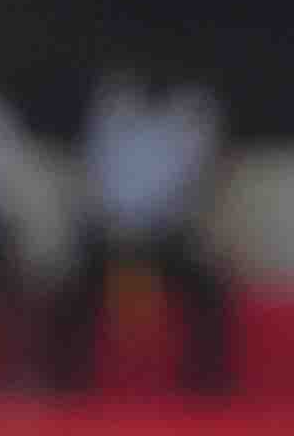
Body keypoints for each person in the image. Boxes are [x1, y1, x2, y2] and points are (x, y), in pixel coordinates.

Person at [49, 64, 231, 395]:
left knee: (210, 294)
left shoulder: (192, 116)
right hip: (112, 235)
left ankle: (206, 386)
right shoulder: (111, 110)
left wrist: (165, 230)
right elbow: (91, 181)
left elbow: (199, 187)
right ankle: (64, 382)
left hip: (167, 238)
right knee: (67, 291)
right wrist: (110, 227)